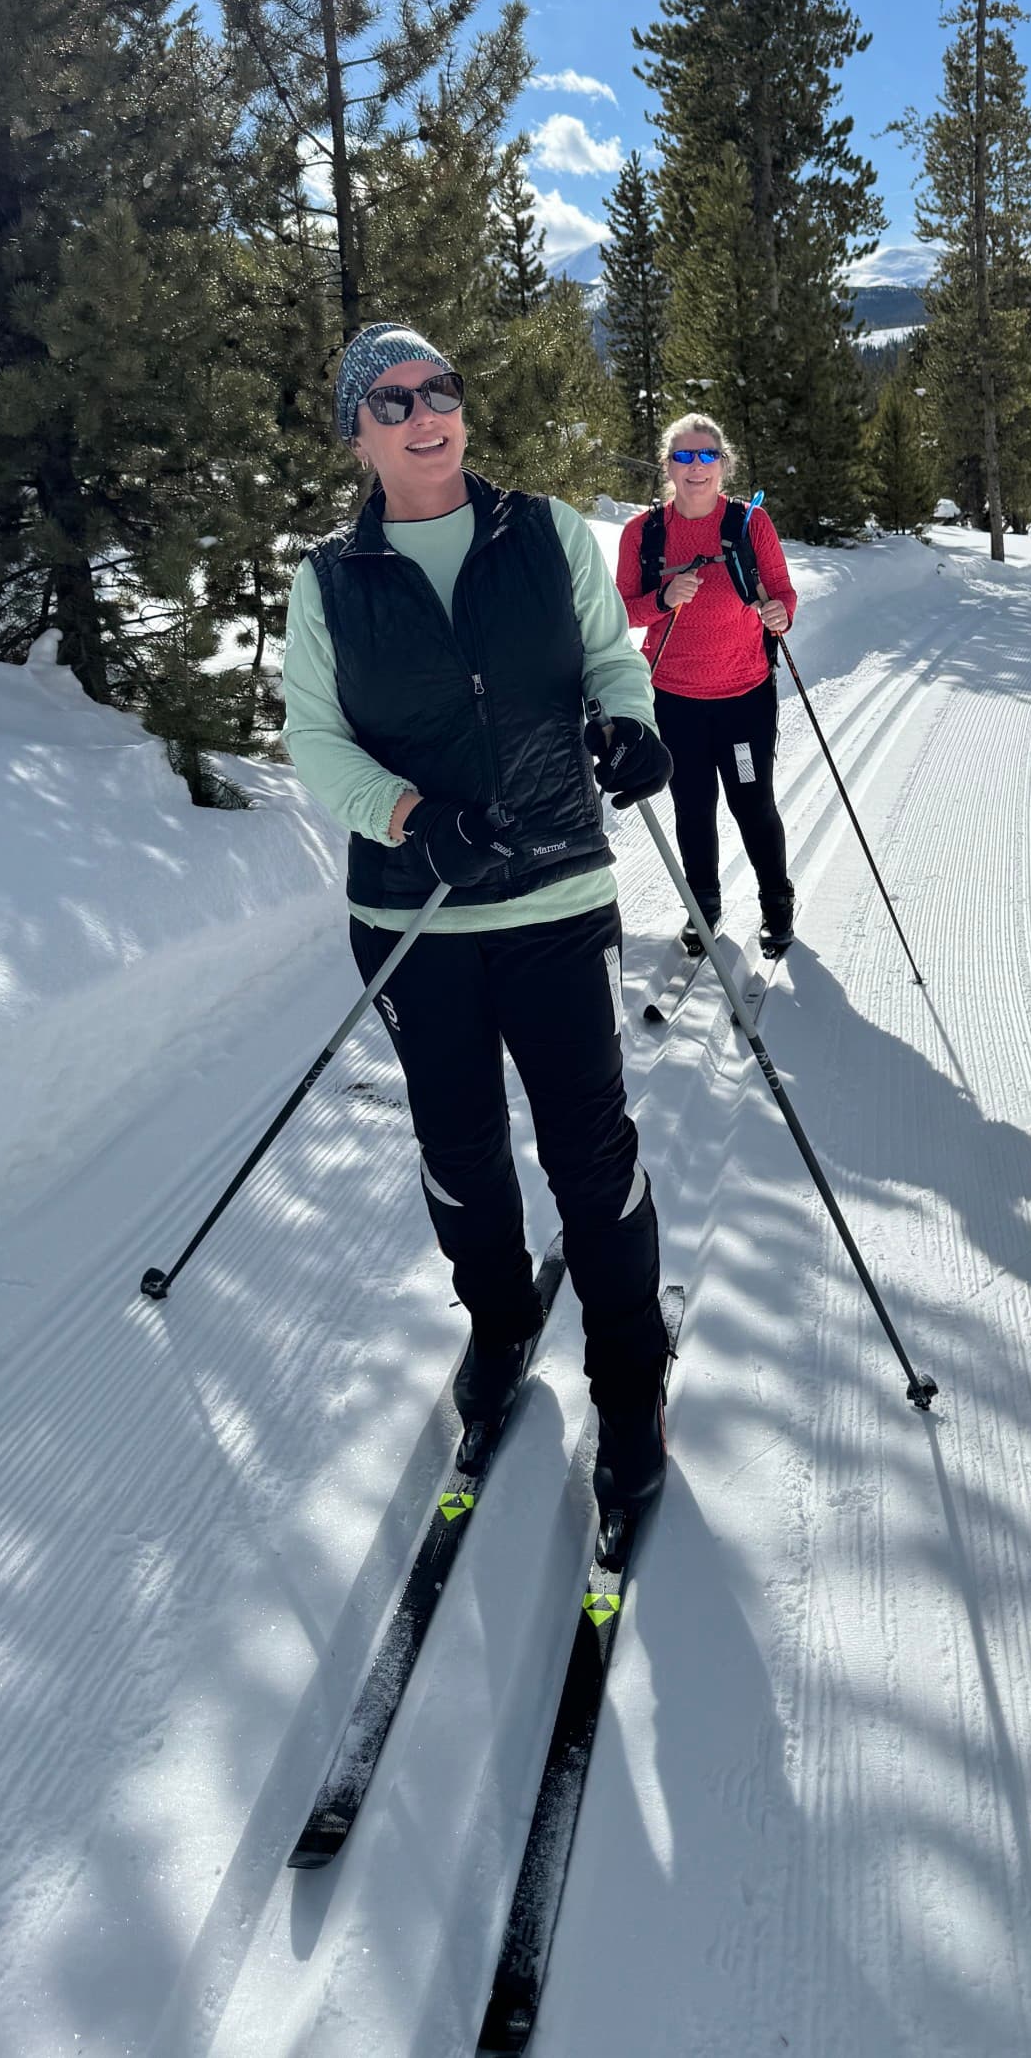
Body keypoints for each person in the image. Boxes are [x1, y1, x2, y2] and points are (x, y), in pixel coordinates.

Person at [282, 321, 677, 1518]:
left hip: (557, 892)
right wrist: (407, 816)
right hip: (414, 916)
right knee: (457, 1151)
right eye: (390, 400)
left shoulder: (545, 531)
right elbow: (314, 737)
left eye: (437, 388)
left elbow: (611, 661)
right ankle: (499, 1325)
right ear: (357, 433)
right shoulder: (329, 580)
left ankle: (627, 1378)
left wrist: (629, 725)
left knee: (586, 1146)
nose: (423, 413)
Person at [615, 414, 798, 957]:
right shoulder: (643, 534)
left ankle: (776, 903)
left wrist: (778, 615)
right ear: (668, 466)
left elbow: (784, 593)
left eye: (706, 456)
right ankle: (704, 908)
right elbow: (622, 610)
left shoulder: (749, 525)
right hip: (674, 703)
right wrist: (663, 600)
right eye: (684, 457)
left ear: (723, 464)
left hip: (743, 699)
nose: (696, 468)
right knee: (692, 807)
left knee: (751, 802)